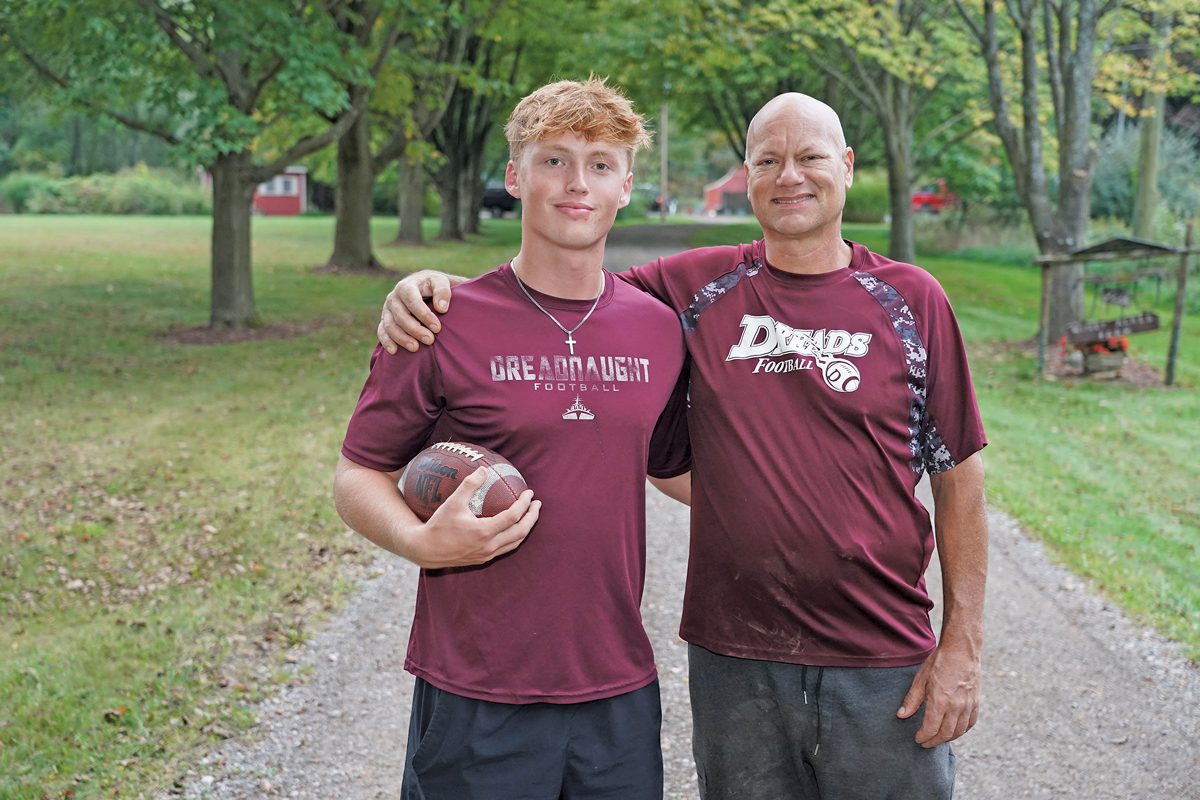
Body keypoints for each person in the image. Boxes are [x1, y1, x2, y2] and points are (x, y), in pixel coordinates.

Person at [376, 92, 989, 800]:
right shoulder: (694, 288)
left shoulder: (911, 298)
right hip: (735, 659)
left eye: (811, 157)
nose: (790, 175)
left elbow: (960, 478)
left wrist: (962, 647)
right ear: (749, 175)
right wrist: (435, 291)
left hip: (884, 657)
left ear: (846, 167)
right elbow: (560, 294)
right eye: (768, 160)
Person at [334, 77, 690, 800]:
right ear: (514, 175)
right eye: (553, 160)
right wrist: (417, 542)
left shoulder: (656, 330)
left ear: (626, 186)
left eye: (599, 164)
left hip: (616, 687)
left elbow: (673, 468)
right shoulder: (441, 318)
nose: (575, 183)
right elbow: (357, 474)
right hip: (476, 690)